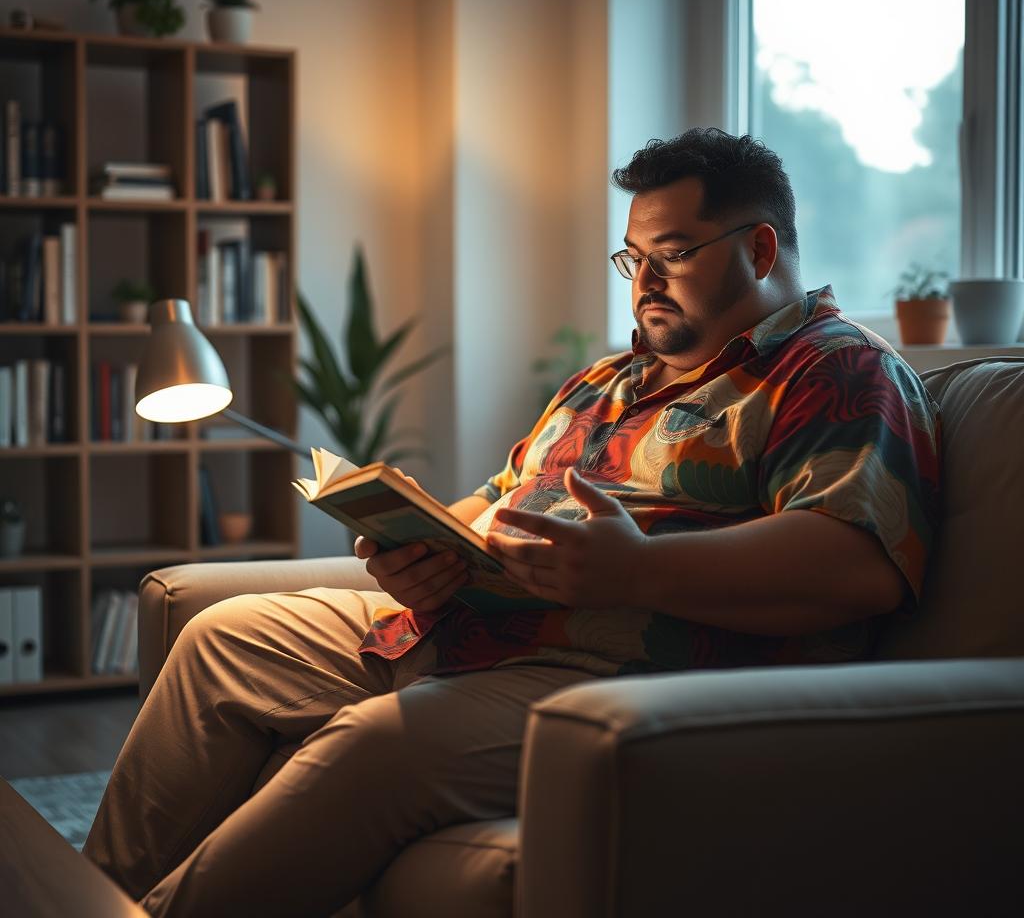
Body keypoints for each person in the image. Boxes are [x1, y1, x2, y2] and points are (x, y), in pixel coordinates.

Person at [84, 128, 940, 917]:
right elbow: (500, 499)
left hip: (623, 671)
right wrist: (413, 545)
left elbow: (851, 561)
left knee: (380, 745)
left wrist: (638, 570)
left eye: (672, 255)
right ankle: (77, 901)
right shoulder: (608, 381)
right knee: (223, 636)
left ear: (759, 249)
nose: (644, 283)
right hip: (474, 632)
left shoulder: (839, 370)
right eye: (632, 258)